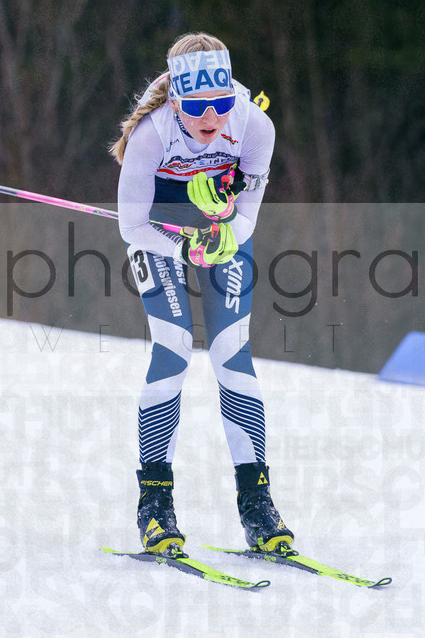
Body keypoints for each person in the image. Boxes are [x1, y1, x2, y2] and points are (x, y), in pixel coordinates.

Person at [110, 32, 293, 555]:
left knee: (232, 355)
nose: (211, 117)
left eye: (221, 103)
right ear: (176, 102)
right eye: (197, 108)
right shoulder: (151, 135)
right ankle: (155, 508)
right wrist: (185, 240)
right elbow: (131, 226)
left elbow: (248, 215)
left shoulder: (255, 126)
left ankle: (258, 508)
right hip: (158, 235)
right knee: (172, 350)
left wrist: (223, 234)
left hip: (221, 232)